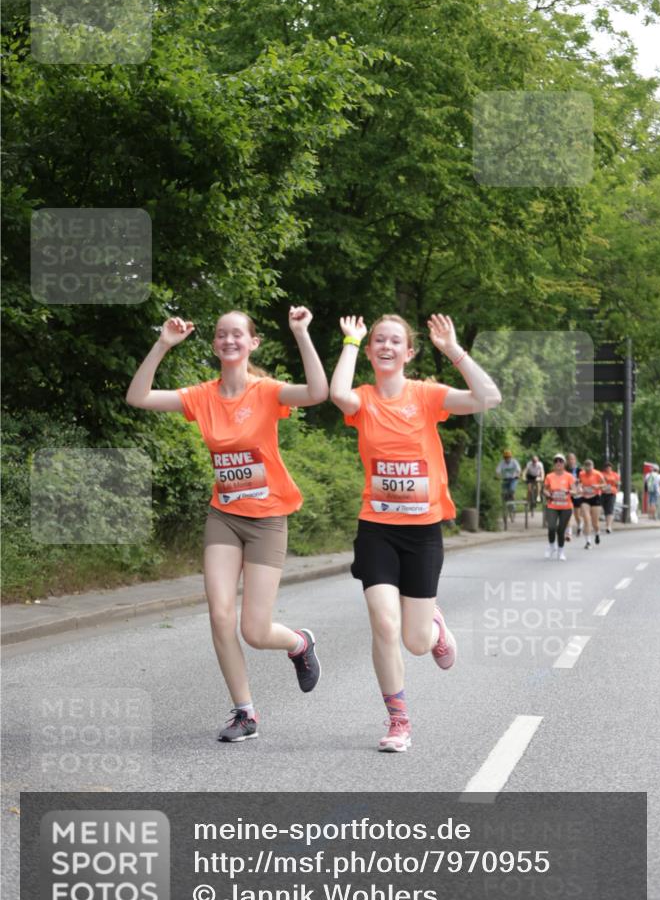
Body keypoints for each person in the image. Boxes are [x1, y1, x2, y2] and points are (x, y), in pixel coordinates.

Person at [126, 307, 328, 742]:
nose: (229, 339)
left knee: (255, 630)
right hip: (225, 516)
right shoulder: (202, 396)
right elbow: (138, 397)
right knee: (220, 615)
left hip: (267, 519)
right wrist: (163, 343)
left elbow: (317, 391)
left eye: (238, 334)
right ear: (215, 344)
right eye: (221, 334)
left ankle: (299, 643)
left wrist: (301, 333)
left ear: (253, 343)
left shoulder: (267, 392)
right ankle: (245, 713)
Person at [330, 312, 501, 752]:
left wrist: (453, 349)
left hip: (422, 533)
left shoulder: (425, 395)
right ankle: (398, 721)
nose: (386, 347)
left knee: (416, 641)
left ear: (408, 353)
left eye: (395, 342)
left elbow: (489, 397)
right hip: (377, 528)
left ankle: (435, 628)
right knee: (384, 624)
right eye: (379, 341)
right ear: (371, 352)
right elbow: (336, 394)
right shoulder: (363, 399)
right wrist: (351, 341)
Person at [542, 454, 576, 560]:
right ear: (554, 464)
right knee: (551, 527)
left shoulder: (569, 476)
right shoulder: (549, 476)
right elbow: (544, 489)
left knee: (561, 530)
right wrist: (548, 494)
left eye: (560, 461)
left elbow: (575, 491)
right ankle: (552, 547)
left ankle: (561, 552)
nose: (558, 463)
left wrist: (568, 491)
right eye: (556, 461)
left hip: (566, 506)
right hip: (552, 505)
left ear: (564, 463)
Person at [578, 458, 605, 548]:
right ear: (584, 467)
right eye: (586, 467)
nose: (588, 469)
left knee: (595, 522)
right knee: (586, 519)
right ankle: (588, 542)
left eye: (590, 467)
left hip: (595, 497)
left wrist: (598, 486)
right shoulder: (581, 474)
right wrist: (579, 487)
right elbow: (579, 483)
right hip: (585, 498)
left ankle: (597, 533)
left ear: (593, 467)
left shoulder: (597, 474)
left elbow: (604, 485)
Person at [564, 452, 582, 541]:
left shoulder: (579, 470)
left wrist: (579, 483)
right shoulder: (565, 470)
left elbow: (583, 481)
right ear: (567, 461)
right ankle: (569, 532)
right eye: (569, 459)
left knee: (577, 515)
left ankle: (579, 525)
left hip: (577, 494)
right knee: (569, 513)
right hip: (568, 493)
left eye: (572, 459)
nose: (571, 461)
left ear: (575, 460)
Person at [600, 461, 621, 533]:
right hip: (603, 493)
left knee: (610, 509)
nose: (608, 468)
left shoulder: (615, 474)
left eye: (609, 467)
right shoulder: (601, 474)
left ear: (611, 468)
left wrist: (617, 489)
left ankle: (608, 526)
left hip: (612, 493)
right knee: (604, 509)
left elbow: (618, 484)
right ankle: (606, 524)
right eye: (606, 467)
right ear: (604, 468)